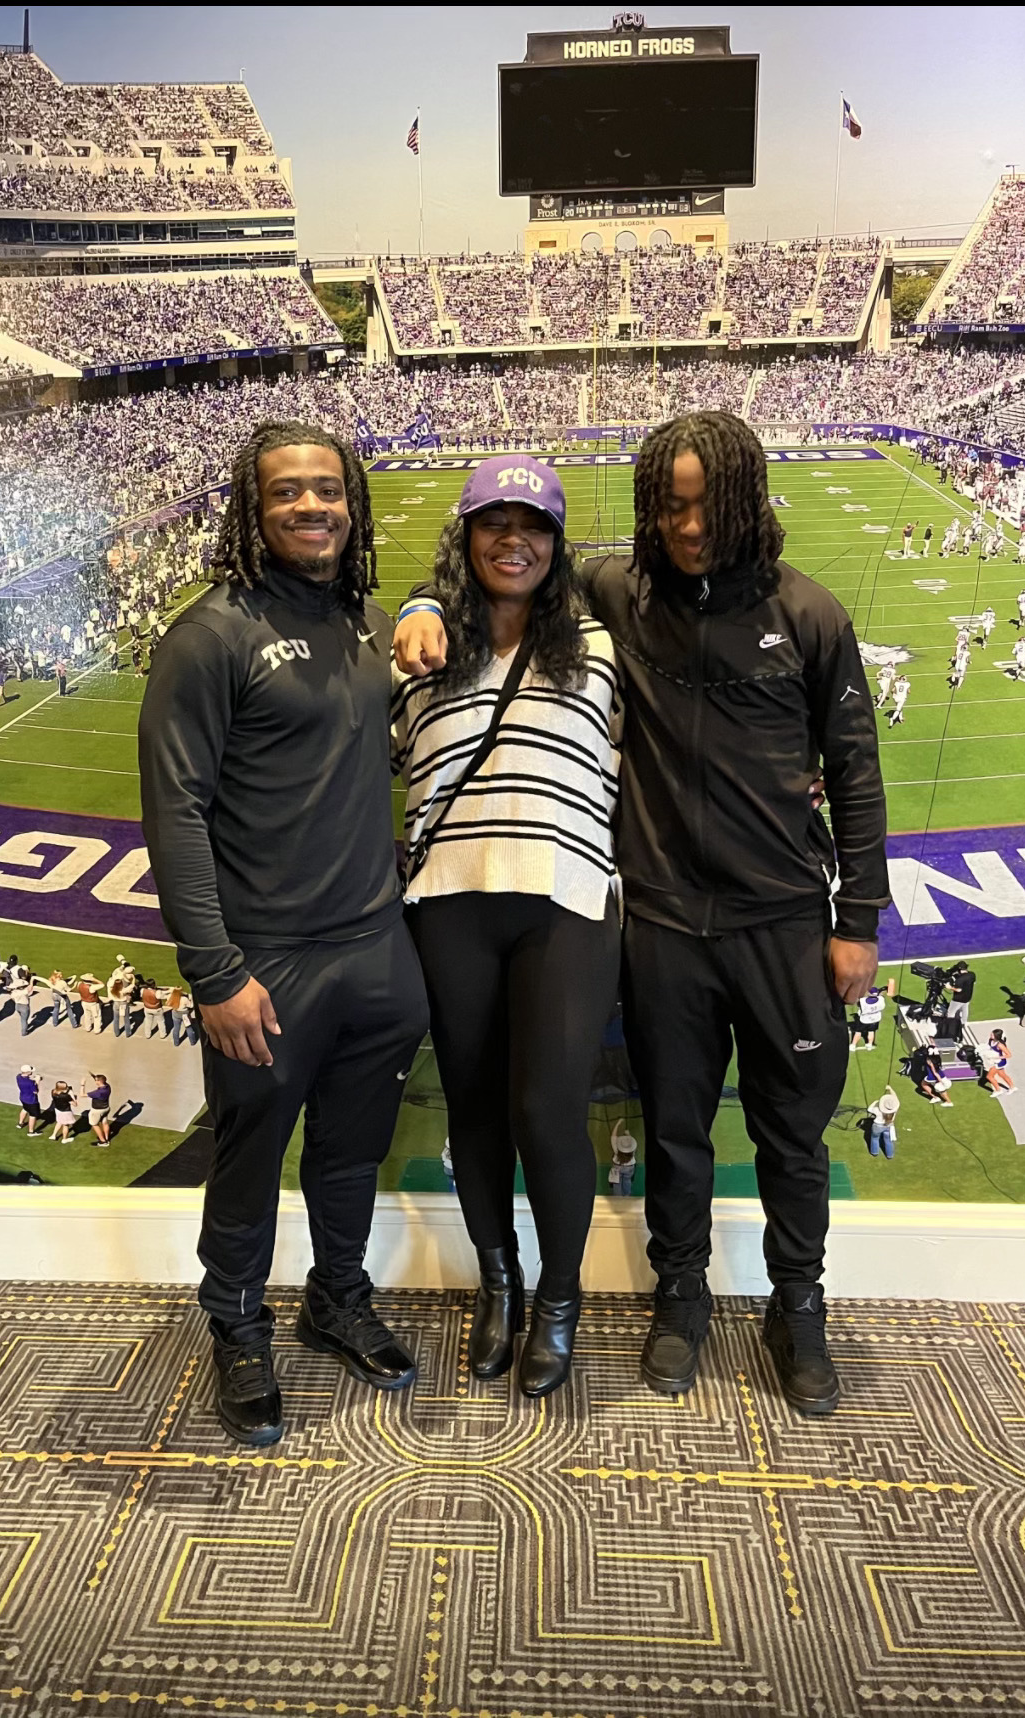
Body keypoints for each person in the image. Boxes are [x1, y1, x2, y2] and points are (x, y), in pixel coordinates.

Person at [395, 411, 889, 1419]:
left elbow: (857, 771)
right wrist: (414, 595)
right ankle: (682, 1298)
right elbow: (505, 567)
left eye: (707, 500)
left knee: (793, 1133)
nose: (688, 521)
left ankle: (798, 1308)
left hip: (786, 920)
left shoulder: (811, 614)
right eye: (669, 500)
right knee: (674, 1131)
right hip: (663, 920)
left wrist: (859, 919)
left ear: (751, 495)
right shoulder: (620, 591)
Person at [140, 419, 429, 1448]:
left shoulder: (365, 620)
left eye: (328, 489)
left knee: (351, 1153)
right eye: (287, 492)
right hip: (267, 961)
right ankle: (237, 1324)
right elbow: (173, 813)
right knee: (251, 1155)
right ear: (251, 510)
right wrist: (215, 971)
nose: (312, 505)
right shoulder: (209, 635)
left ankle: (336, 1297)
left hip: (375, 948)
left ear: (353, 502)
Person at [392, 457, 621, 1397]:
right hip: (449, 895)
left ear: (557, 542)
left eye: (532, 524)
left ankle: (559, 1299)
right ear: (466, 535)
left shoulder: (602, 645)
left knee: (547, 1109)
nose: (512, 539)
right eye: (494, 522)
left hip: (566, 894)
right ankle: (500, 1280)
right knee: (476, 1109)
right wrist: (415, 602)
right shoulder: (418, 647)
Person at [866, 1086, 899, 1158]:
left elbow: (869, 1109)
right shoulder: (895, 1107)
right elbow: (895, 1097)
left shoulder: (877, 1107)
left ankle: (874, 1152)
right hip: (889, 1125)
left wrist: (876, 1102)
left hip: (877, 1126)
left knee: (875, 1138)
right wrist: (891, 1089)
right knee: (888, 1140)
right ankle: (889, 1155)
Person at [850, 984, 886, 1050]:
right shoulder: (881, 999)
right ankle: (869, 1045)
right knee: (871, 1032)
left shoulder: (863, 1001)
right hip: (875, 1019)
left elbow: (858, 1003)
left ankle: (853, 1045)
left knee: (858, 1032)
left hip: (864, 1019)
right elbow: (881, 995)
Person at [979, 1029, 1014, 1095]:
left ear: (996, 1036)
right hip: (995, 1061)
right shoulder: (990, 1040)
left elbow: (1009, 1055)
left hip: (1000, 1062)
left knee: (989, 1076)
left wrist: (997, 1057)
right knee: (1002, 1075)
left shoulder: (1000, 1045)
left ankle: (998, 1090)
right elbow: (989, 1047)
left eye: (992, 1034)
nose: (990, 1035)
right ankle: (1012, 1087)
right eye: (991, 1033)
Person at [85, 1072, 113, 1146]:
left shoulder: (98, 1092)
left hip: (97, 1110)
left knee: (94, 1124)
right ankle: (107, 1139)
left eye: (96, 1080)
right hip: (106, 1108)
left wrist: (82, 1085)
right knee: (105, 1122)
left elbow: (82, 1094)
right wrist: (94, 1076)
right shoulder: (107, 1086)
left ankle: (103, 1141)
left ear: (99, 1081)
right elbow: (101, 1080)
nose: (95, 1081)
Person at [16, 1064, 44, 1135]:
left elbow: (26, 1081)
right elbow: (35, 1091)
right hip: (31, 1100)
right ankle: (31, 1132)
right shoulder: (30, 1083)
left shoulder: (18, 1077)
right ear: (28, 1072)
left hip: (23, 1097)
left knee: (25, 1109)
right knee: (33, 1115)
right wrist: (37, 1081)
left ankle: (20, 1123)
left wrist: (34, 1080)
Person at [945, 961, 975, 1026]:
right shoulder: (972, 975)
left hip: (958, 999)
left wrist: (950, 987)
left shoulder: (960, 979)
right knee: (965, 1009)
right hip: (968, 997)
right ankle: (963, 1022)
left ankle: (950, 1025)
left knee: (950, 1013)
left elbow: (959, 990)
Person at [11, 965, 35, 1036]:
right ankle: (24, 1032)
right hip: (25, 1007)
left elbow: (12, 998)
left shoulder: (14, 992)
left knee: (22, 1019)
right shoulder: (24, 991)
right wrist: (32, 981)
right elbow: (30, 989)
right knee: (24, 1020)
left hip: (17, 1006)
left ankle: (25, 1027)